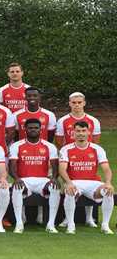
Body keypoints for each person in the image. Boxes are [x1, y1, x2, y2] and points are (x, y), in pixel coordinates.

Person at [59, 121, 114, 234]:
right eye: (78, 131)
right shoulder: (66, 149)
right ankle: (71, 225)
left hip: (92, 183)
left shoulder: (97, 149)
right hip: (74, 182)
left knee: (108, 191)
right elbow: (62, 169)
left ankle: (105, 225)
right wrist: (68, 183)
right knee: (70, 192)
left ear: (88, 132)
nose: (81, 133)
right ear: (73, 133)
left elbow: (106, 168)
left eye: (84, 131)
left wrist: (108, 182)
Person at [55, 92, 101, 227]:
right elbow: (59, 142)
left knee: (90, 182)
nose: (76, 105)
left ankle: (89, 218)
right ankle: (66, 219)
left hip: (87, 158)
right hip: (69, 158)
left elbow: (96, 143)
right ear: (69, 103)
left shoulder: (94, 121)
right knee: (68, 187)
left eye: (79, 102)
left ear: (84, 103)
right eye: (74, 103)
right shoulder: (62, 121)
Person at [9, 119, 60, 234]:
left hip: (42, 180)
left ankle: (50, 224)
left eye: (36, 128)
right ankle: (19, 223)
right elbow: (11, 166)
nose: (33, 130)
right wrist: (17, 179)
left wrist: (54, 178)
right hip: (24, 180)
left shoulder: (49, 146)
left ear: (40, 129)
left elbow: (55, 166)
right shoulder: (17, 146)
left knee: (54, 188)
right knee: (17, 188)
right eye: (30, 128)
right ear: (25, 129)